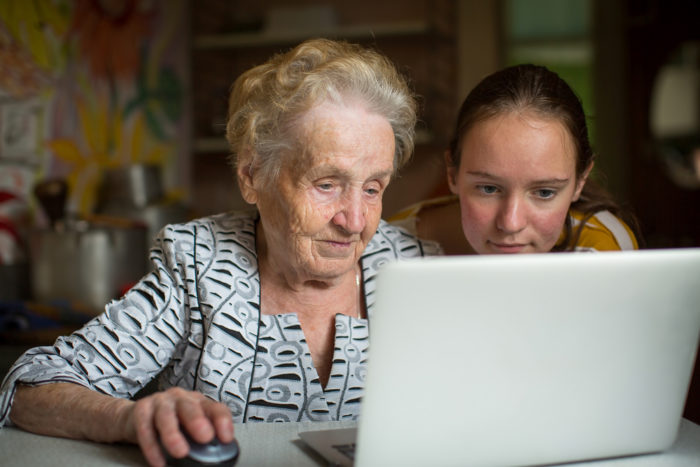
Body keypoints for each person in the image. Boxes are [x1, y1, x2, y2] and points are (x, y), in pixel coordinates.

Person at [0, 38, 440, 467]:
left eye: (372, 188)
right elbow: (28, 388)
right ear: (252, 175)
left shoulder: (419, 271)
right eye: (326, 184)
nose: (355, 219)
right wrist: (130, 417)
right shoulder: (198, 266)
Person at [391, 64, 640, 254]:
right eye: (488, 188)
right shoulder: (386, 248)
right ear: (452, 174)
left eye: (544, 193)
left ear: (580, 182)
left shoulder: (601, 252)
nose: (511, 223)